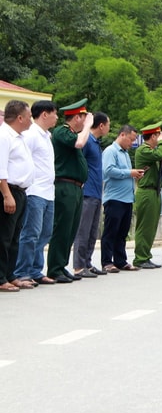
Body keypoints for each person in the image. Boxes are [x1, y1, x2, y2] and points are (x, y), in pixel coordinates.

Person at [46, 98, 93, 283]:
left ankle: (61, 265)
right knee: (62, 228)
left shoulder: (73, 134)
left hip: (76, 187)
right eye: (84, 117)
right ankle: (55, 268)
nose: (86, 121)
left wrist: (86, 127)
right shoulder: (62, 132)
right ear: (77, 118)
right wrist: (88, 126)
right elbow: (80, 143)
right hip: (65, 185)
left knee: (71, 229)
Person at [13, 100, 59, 286]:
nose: (57, 117)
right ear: (45, 114)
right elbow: (24, 159)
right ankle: (22, 271)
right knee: (30, 233)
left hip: (49, 192)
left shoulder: (47, 136)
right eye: (55, 113)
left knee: (45, 233)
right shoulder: (31, 135)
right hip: (35, 191)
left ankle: (35, 270)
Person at [0, 100, 35, 292]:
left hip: (20, 192)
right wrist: (6, 195)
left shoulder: (19, 137)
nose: (31, 120)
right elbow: (0, 168)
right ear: (20, 118)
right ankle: (0, 278)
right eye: (29, 117)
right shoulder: (4, 136)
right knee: (4, 237)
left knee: (14, 237)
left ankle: (10, 274)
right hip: (8, 191)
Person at [71, 111, 109, 278]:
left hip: (96, 192)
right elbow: (79, 162)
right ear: (101, 125)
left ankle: (87, 262)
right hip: (87, 192)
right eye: (108, 124)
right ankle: (79, 266)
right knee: (83, 230)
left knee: (93, 231)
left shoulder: (96, 143)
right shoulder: (87, 141)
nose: (109, 128)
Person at [100, 125, 142, 272]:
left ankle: (120, 260)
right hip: (114, 198)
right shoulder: (111, 151)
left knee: (122, 232)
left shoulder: (125, 153)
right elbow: (109, 170)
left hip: (127, 198)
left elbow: (125, 172)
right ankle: (106, 261)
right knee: (111, 231)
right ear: (122, 135)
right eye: (131, 140)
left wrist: (134, 174)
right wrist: (129, 173)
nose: (132, 143)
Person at [133, 122, 162, 270]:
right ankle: (140, 258)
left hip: (154, 191)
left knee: (151, 226)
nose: (160, 138)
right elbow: (160, 154)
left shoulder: (151, 151)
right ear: (153, 136)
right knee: (145, 226)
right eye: (158, 135)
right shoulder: (143, 150)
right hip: (146, 191)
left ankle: (146, 255)